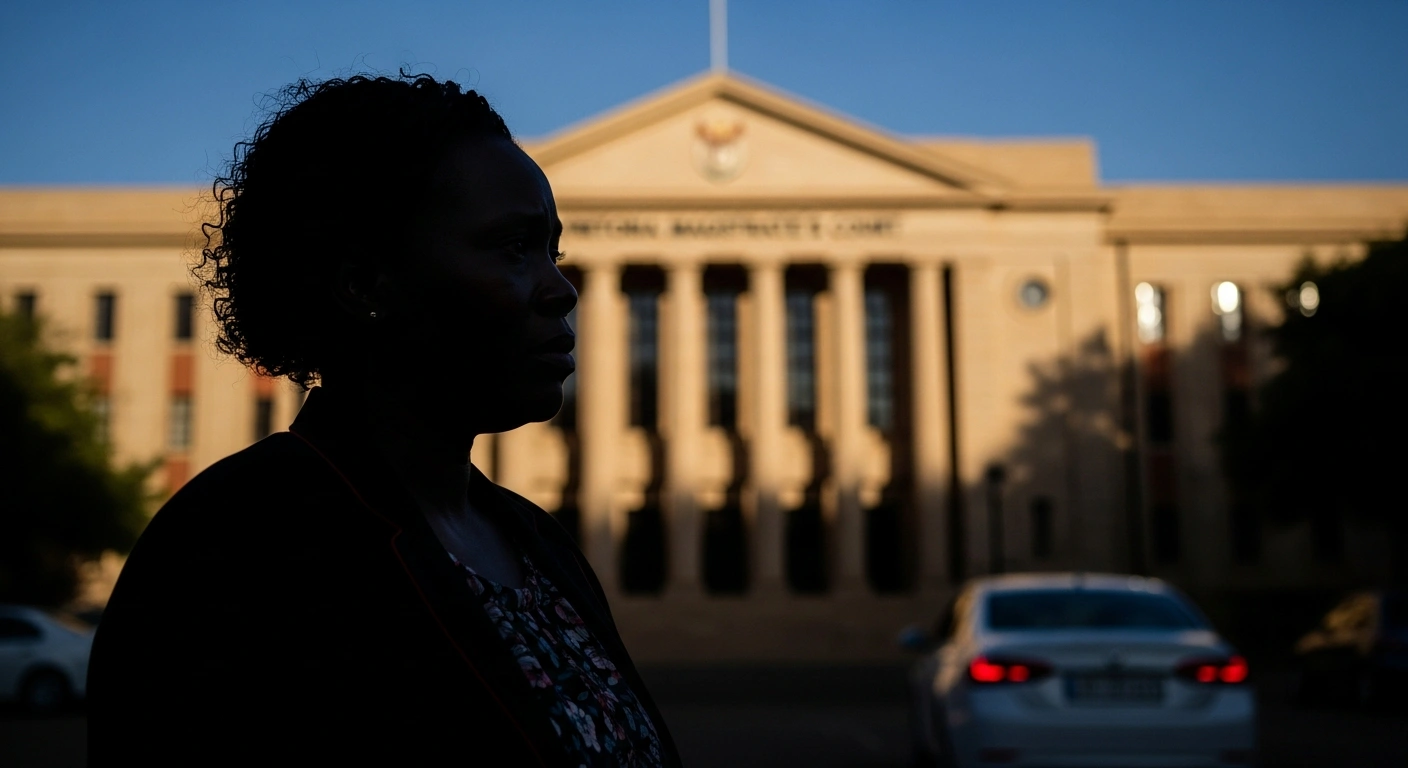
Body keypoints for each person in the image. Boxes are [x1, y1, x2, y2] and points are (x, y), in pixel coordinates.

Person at [88, 73, 679, 767]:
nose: (562, 289)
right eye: (512, 249)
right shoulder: (235, 549)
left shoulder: (539, 544)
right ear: (368, 284)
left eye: (553, 250)